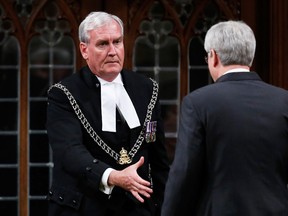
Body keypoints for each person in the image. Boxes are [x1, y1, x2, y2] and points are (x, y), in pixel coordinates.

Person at [46, 11, 170, 216]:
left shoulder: (147, 89)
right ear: (84, 50)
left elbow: (158, 158)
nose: (113, 51)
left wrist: (161, 206)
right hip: (84, 207)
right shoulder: (63, 94)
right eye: (103, 44)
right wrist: (112, 176)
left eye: (118, 42)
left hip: (137, 209)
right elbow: (69, 152)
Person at [161, 20, 288, 216]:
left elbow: (185, 173)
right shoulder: (284, 101)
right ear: (250, 58)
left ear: (213, 56)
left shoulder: (198, 103)